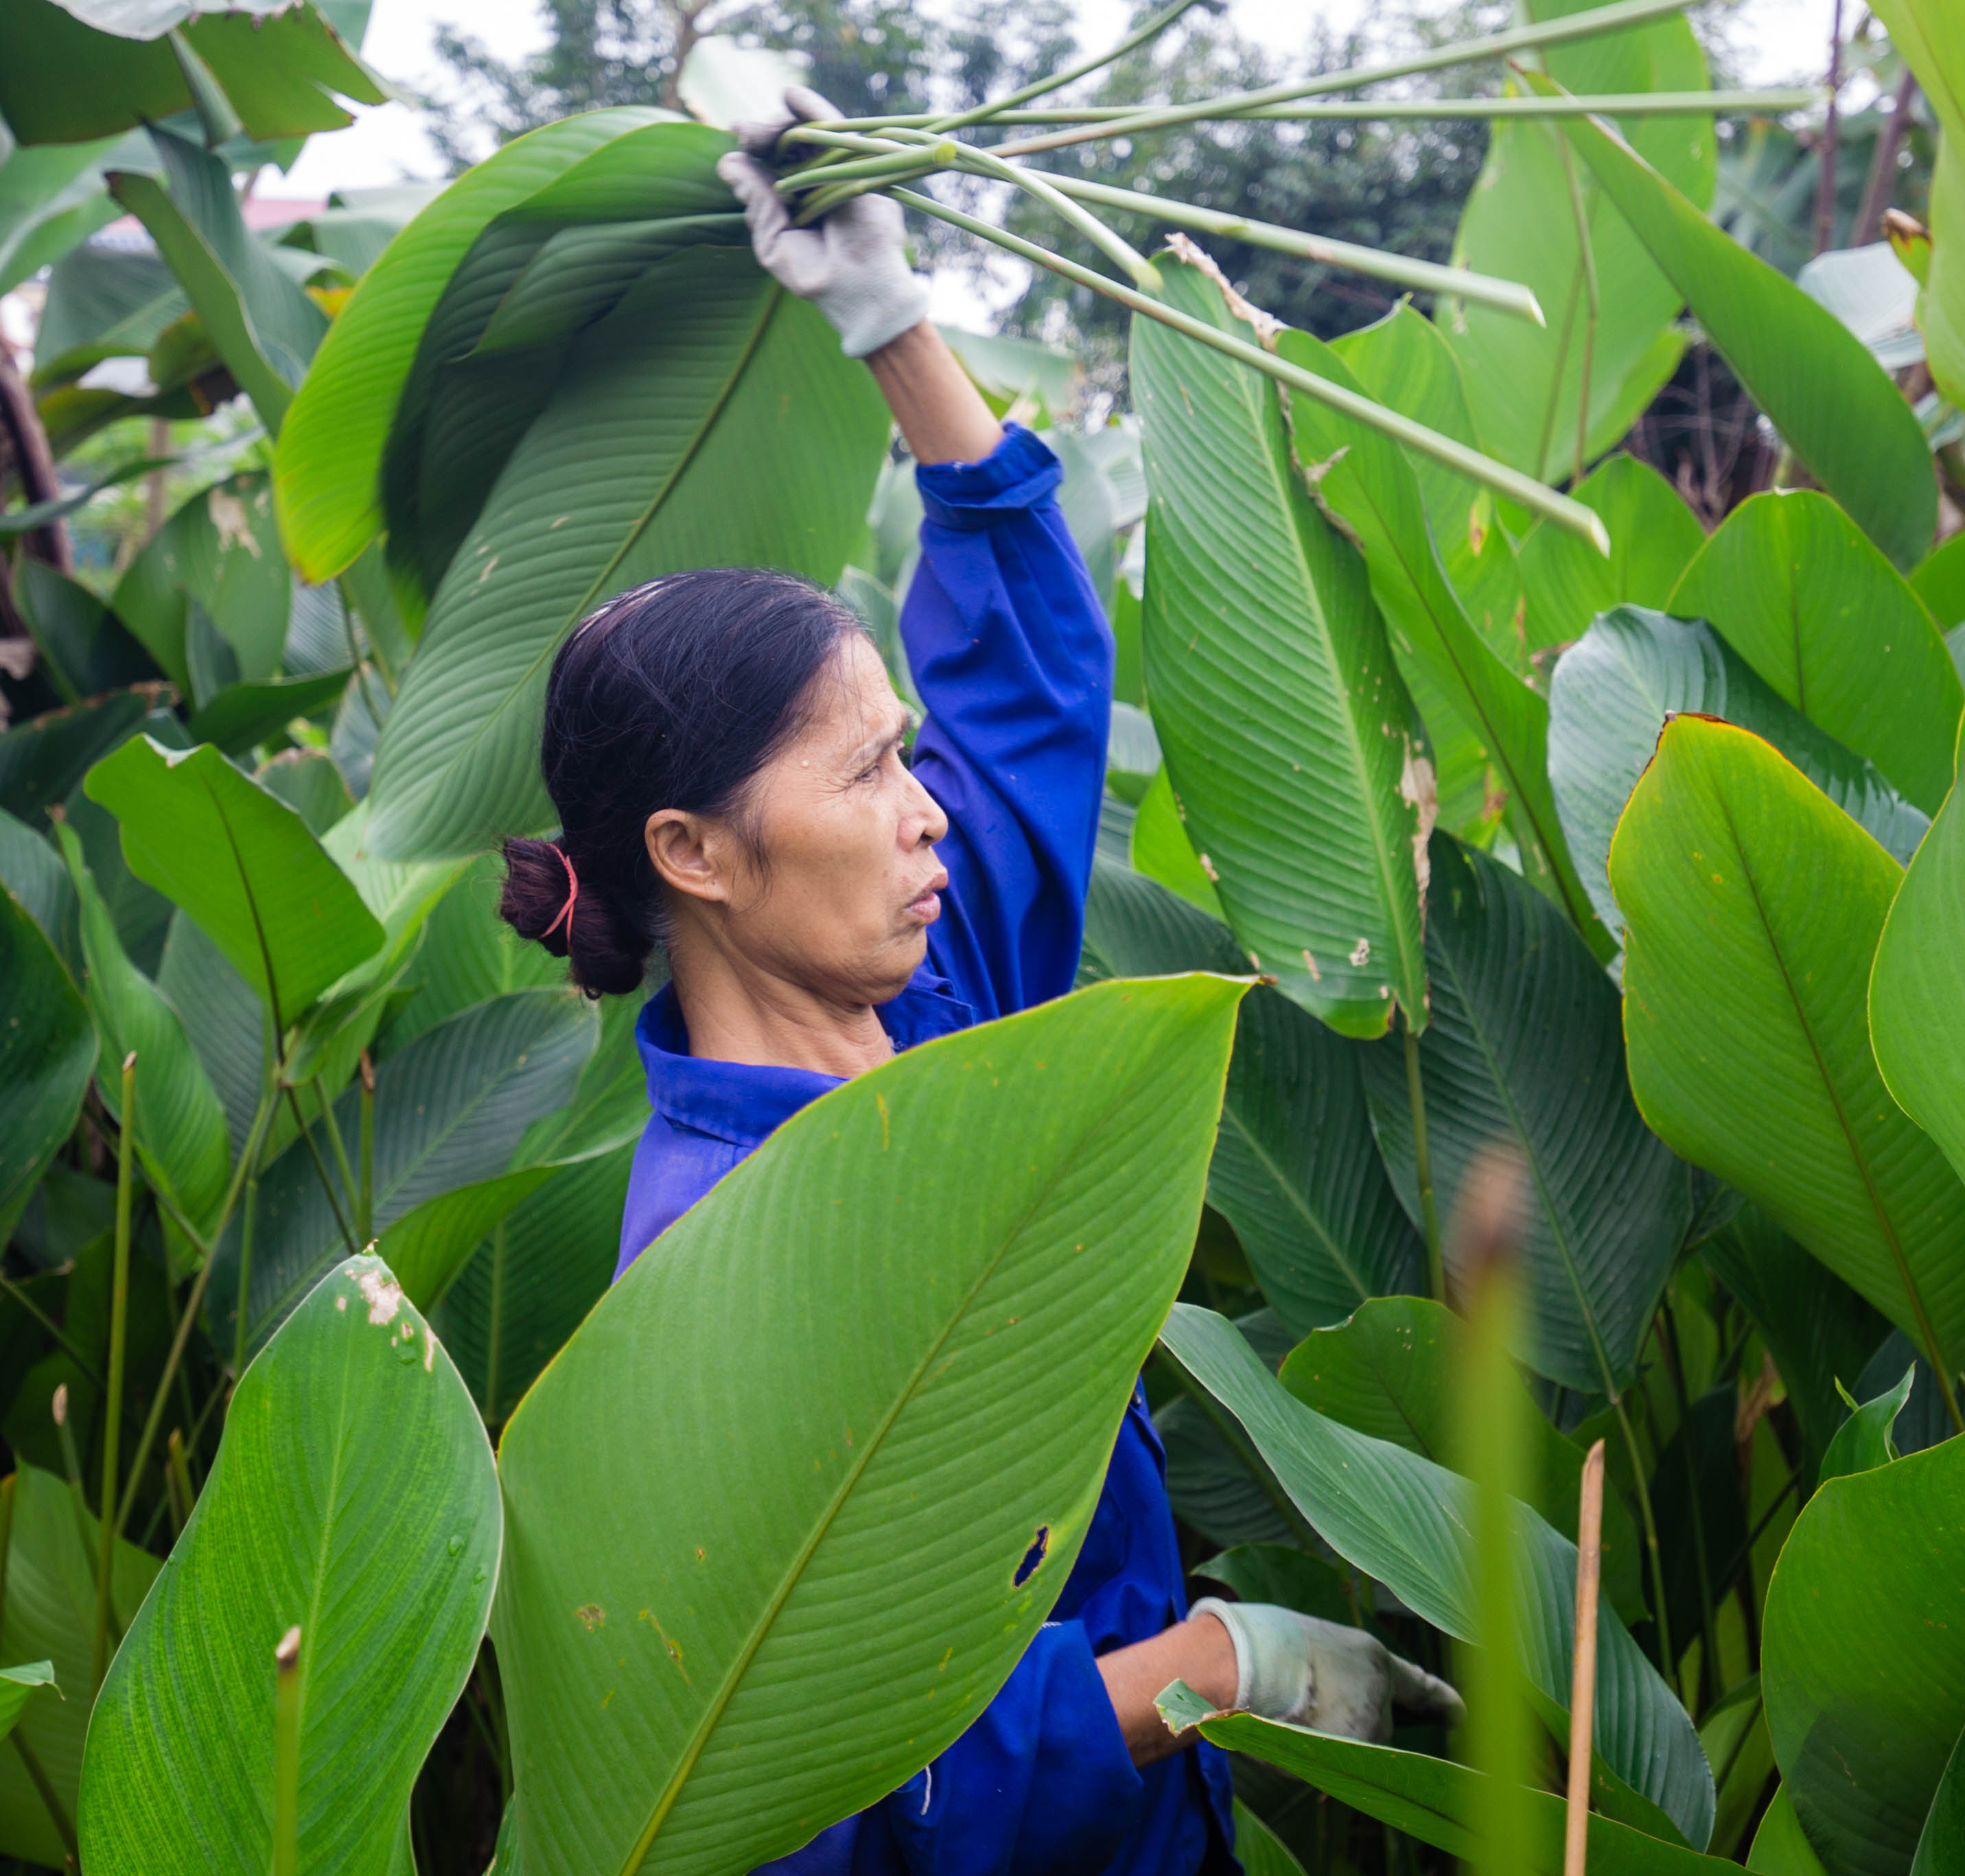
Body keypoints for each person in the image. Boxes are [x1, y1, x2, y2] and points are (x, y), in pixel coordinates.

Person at [494, 90, 1458, 1876]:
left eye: (904, 752)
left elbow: (1028, 675)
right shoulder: (716, 1266)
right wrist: (1205, 1670)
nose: (926, 814)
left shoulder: (941, 1021)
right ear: (696, 851)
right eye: (863, 778)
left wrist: (886, 319)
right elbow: (821, 1788)